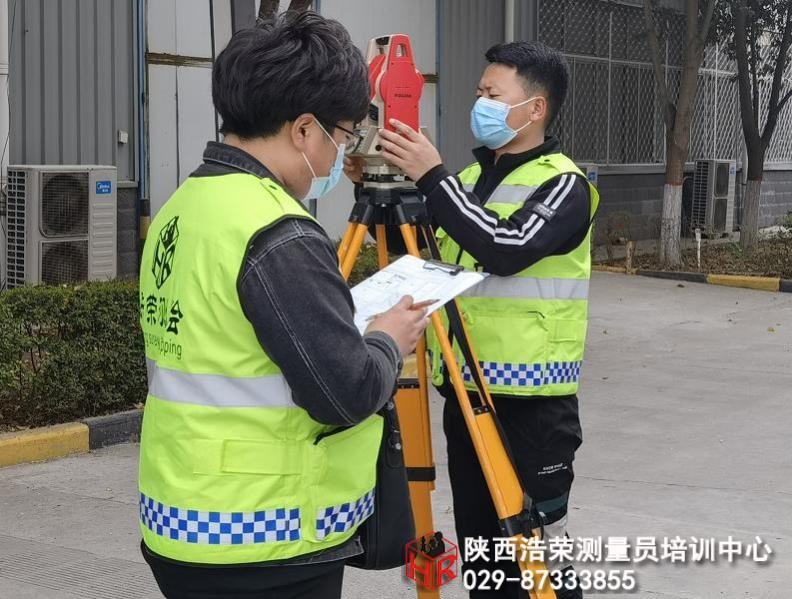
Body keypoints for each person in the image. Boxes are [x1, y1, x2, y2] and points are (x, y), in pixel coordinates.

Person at [137, 12, 429, 599]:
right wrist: (385, 338)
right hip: (263, 537)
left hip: (183, 514)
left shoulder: (185, 204)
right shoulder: (278, 232)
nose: (339, 153)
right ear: (303, 129)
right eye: (342, 135)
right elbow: (345, 393)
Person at [349, 40, 599, 599]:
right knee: (484, 556)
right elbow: (422, 256)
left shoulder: (565, 185)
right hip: (466, 397)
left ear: (535, 108)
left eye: (493, 94)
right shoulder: (467, 178)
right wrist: (373, 183)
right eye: (480, 92)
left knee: (537, 559)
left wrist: (433, 178)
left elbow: (506, 247)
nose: (480, 102)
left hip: (532, 408)